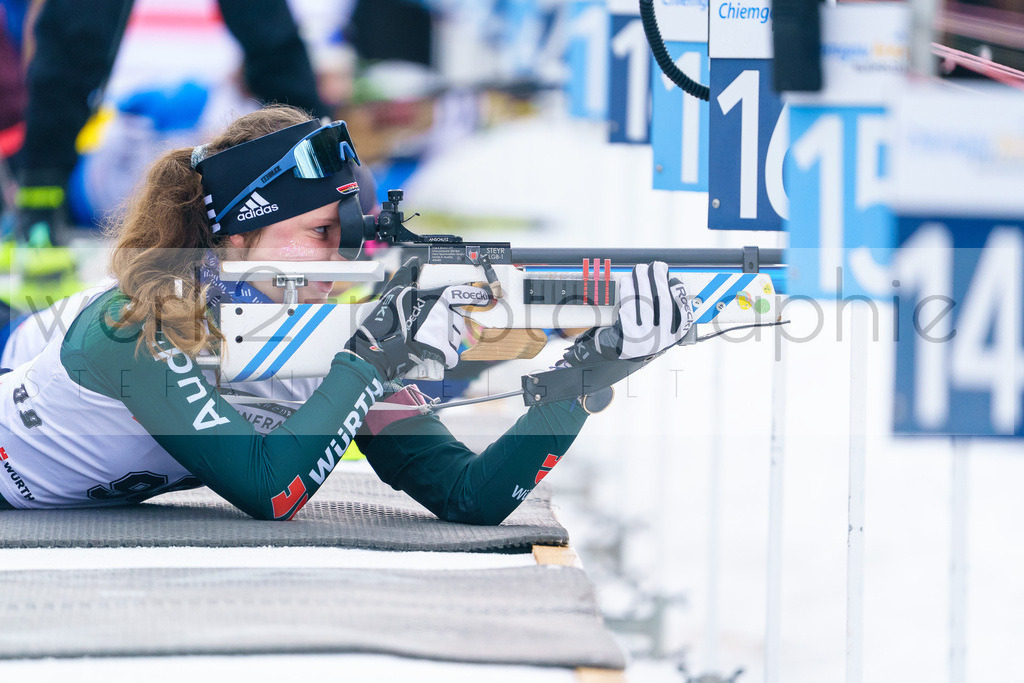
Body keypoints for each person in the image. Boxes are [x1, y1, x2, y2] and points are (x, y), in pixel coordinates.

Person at [0, 105, 693, 523]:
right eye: (321, 232)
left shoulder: (322, 334)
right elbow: (272, 490)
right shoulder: (139, 324)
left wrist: (584, 375)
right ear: (238, 236)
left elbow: (466, 495)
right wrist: (367, 362)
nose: (344, 257)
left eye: (350, 235)